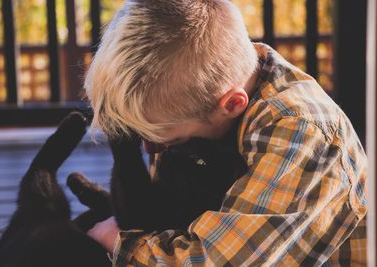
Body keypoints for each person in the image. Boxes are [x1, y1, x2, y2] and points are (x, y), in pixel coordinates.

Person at [84, 0, 367, 265]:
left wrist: (116, 239)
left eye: (171, 140)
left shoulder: (300, 133)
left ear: (231, 104)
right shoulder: (213, 80)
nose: (150, 149)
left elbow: (211, 261)